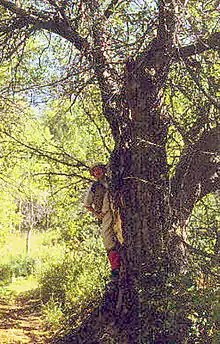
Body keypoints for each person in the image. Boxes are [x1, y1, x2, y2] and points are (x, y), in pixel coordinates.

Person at [84, 163, 122, 281]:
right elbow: (87, 204)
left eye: (99, 170)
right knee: (108, 240)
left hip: (119, 212)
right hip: (105, 215)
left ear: (103, 170)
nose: (97, 172)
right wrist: (97, 214)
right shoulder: (94, 187)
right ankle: (115, 269)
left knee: (122, 236)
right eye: (94, 171)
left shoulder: (112, 182)